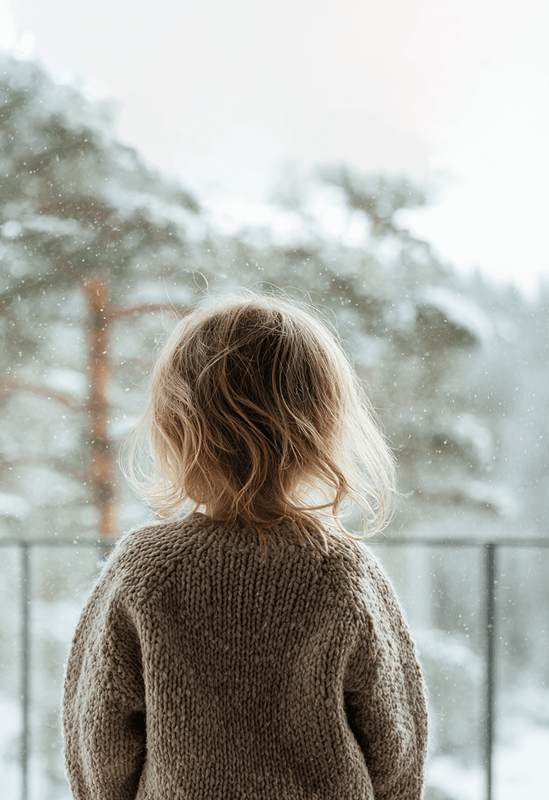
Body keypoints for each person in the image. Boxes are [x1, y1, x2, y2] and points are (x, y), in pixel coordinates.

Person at [62, 291, 428, 800]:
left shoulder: (144, 569)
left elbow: (97, 739)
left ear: (176, 427)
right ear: (319, 430)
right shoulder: (343, 569)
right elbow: (396, 743)